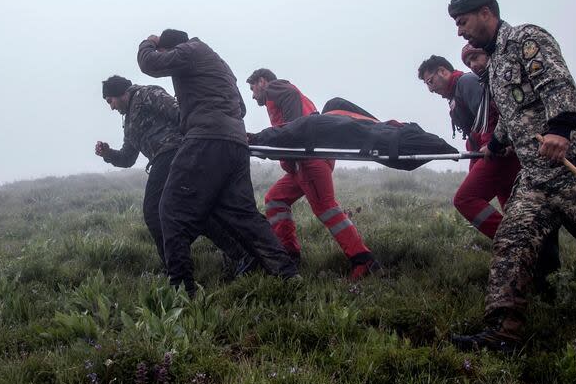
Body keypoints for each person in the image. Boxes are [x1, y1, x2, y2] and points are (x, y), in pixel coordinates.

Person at [447, 0, 576, 351]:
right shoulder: (493, 65)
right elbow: (513, 112)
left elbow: (557, 85)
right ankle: (504, 331)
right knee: (512, 240)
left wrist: (560, 129)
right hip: (537, 178)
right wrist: (495, 144)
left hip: (575, 165)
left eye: (463, 22)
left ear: (486, 12)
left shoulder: (526, 39)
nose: (460, 32)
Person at [137, 29, 300, 295]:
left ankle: (181, 289)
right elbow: (242, 108)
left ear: (172, 48)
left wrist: (149, 42)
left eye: (167, 53)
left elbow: (150, 64)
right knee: (244, 214)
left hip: (206, 140)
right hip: (234, 144)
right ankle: (288, 273)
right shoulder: (218, 64)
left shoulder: (189, 51)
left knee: (169, 209)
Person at [94, 75, 254, 276]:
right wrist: (108, 154)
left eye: (110, 101)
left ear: (120, 92)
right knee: (194, 212)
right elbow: (127, 158)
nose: (111, 107)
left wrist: (200, 144)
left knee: (153, 212)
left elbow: (180, 113)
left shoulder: (147, 94)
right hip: (164, 159)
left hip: (175, 153)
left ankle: (174, 269)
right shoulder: (129, 122)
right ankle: (241, 255)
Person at [246, 69, 382, 280]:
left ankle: (363, 260)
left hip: (310, 161)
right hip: (303, 163)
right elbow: (289, 130)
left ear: (262, 82)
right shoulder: (278, 99)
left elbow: (292, 129)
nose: (253, 95)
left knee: (326, 209)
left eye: (252, 88)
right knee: (275, 200)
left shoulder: (277, 89)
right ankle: (289, 254)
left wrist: (264, 138)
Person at [417, 54, 521, 238]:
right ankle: (536, 254)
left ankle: (511, 240)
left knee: (464, 199)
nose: (430, 89)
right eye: (427, 84)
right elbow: (474, 130)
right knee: (514, 210)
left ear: (443, 71)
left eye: (430, 81)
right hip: (493, 152)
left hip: (499, 152)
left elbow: (489, 111)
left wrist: (491, 143)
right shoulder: (454, 94)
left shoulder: (466, 82)